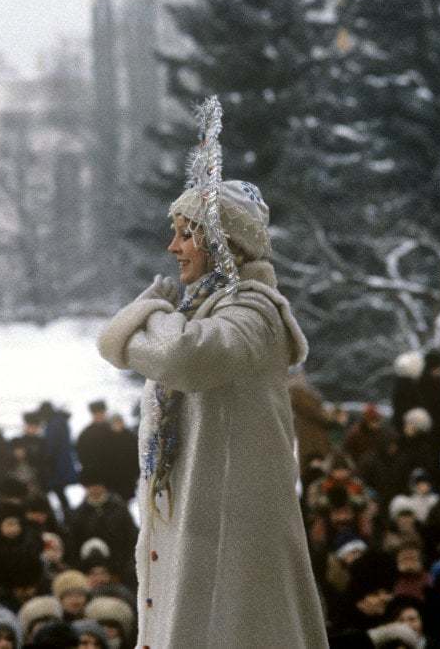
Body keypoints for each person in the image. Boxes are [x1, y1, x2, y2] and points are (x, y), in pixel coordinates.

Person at [97, 103, 327, 648]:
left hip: (232, 534)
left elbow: (179, 359)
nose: (172, 247)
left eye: (185, 234)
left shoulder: (254, 314)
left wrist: (147, 314)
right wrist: (150, 325)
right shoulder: (204, 314)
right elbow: (132, 348)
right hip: (199, 528)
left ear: (225, 243)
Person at [39, 403, 77, 520]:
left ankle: (65, 517)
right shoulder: (60, 421)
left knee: (57, 490)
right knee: (59, 492)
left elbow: (52, 445)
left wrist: (47, 459)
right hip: (63, 463)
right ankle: (67, 515)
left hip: (56, 465)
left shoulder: (53, 424)